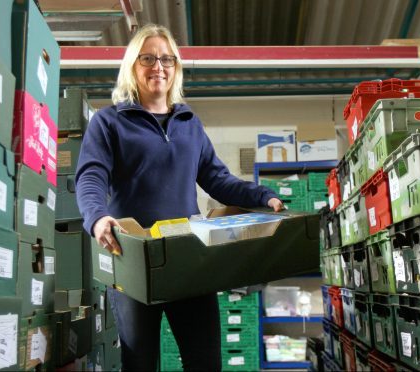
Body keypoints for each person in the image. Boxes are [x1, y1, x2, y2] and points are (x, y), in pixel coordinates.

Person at [75, 23, 284, 371]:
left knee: (204, 361)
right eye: (148, 58)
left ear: (176, 68)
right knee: (139, 362)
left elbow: (217, 179)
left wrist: (263, 196)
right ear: (132, 65)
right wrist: (96, 218)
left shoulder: (190, 124)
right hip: (133, 257)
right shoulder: (109, 122)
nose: (158, 66)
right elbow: (90, 176)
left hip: (188, 255)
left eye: (167, 59)